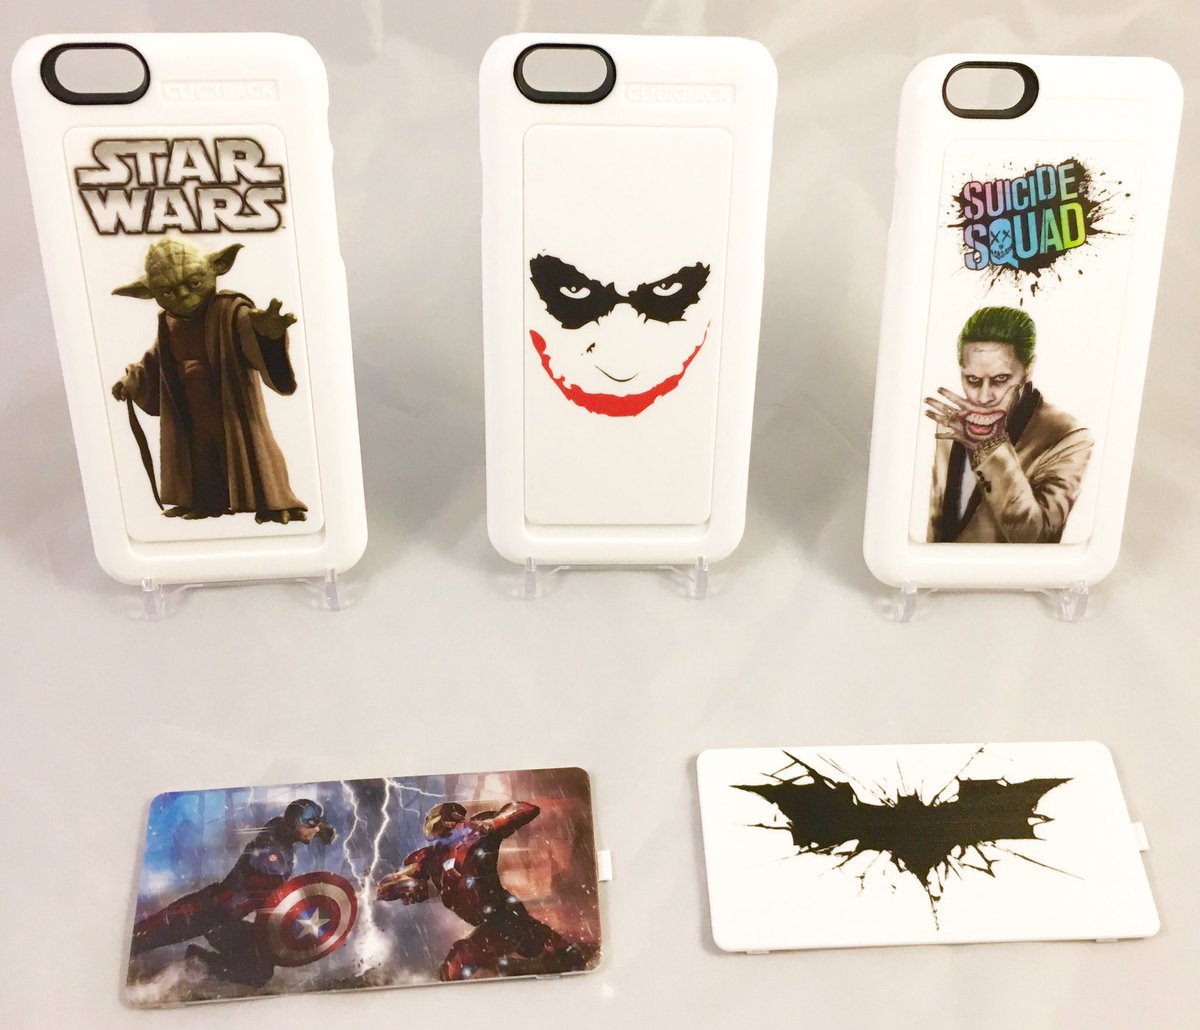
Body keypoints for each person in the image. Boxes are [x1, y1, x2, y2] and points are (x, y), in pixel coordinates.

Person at [110, 238, 307, 524]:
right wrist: (132, 380)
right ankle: (203, 502)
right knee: (198, 456)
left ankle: (275, 503)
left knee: (250, 446)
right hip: (188, 404)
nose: (183, 296)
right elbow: (156, 360)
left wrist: (268, 336)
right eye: (168, 291)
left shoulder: (229, 309)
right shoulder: (167, 322)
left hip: (229, 399)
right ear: (148, 292)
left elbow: (249, 333)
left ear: (218, 267)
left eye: (193, 283)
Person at [923, 306, 1093, 543]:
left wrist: (990, 448)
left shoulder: (1069, 437)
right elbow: (937, 526)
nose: (983, 398)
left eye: (1000, 379)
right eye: (972, 380)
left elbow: (1038, 539)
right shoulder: (951, 425)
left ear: (1028, 369)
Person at [130, 799, 335, 986]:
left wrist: (321, 829)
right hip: (212, 911)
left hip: (230, 919)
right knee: (148, 935)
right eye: (311, 825)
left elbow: (292, 824)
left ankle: (199, 961)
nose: (315, 829)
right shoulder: (270, 853)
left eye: (316, 825)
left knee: (260, 973)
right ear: (295, 824)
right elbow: (271, 898)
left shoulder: (280, 826)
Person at [376, 800, 585, 980]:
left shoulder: (475, 833)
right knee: (542, 947)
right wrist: (403, 884)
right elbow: (389, 884)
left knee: (462, 958)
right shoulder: (430, 857)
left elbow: (526, 809)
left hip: (505, 917)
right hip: (493, 922)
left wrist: (493, 824)